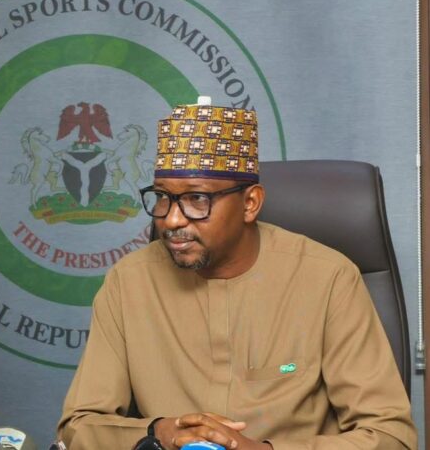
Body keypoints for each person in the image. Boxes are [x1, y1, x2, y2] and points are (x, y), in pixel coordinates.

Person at [57, 97, 417, 449]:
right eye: (163, 197)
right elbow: (79, 427)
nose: (172, 219)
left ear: (250, 204)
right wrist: (158, 432)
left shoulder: (328, 278)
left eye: (197, 199)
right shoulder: (129, 282)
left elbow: (390, 437)